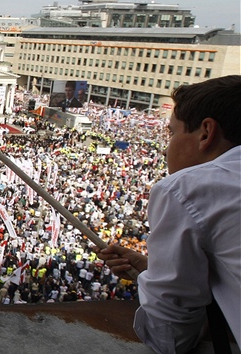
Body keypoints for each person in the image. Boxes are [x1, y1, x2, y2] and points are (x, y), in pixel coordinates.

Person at [96, 75, 241, 353]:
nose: (166, 148)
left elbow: (170, 338)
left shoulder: (186, 189)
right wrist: (152, 269)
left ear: (206, 133)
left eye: (172, 133)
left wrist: (153, 282)